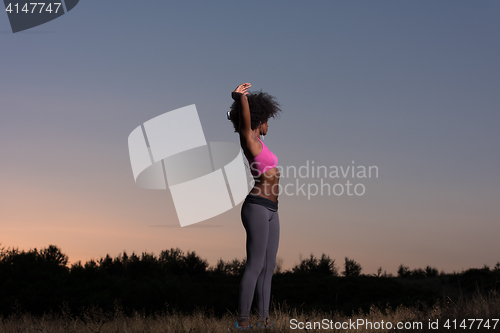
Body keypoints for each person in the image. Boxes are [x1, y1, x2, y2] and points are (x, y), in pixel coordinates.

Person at [227, 82, 282, 330]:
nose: (269, 125)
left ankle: (264, 321)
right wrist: (241, 99)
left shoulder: (263, 144)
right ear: (259, 120)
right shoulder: (248, 140)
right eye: (267, 120)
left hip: (272, 210)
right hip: (257, 207)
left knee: (269, 267)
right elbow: (245, 123)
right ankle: (243, 321)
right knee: (255, 264)